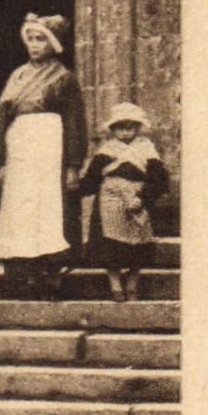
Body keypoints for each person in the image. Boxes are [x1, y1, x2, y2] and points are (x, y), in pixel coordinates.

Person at [0, 13, 87, 298]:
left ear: (53, 43)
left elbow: (74, 122)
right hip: (20, 146)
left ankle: (50, 273)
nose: (34, 45)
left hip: (49, 147)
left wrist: (72, 164)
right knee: (20, 206)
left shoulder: (63, 78)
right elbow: (3, 118)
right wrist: (2, 159)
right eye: (30, 39)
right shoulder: (17, 76)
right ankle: (21, 274)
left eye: (41, 39)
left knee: (48, 208)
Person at [79, 103, 170, 302]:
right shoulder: (106, 150)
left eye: (130, 127)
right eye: (120, 127)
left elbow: (159, 178)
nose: (125, 132)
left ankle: (132, 284)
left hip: (138, 198)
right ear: (113, 129)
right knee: (110, 246)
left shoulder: (147, 149)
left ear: (138, 128)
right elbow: (92, 178)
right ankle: (115, 285)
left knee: (139, 244)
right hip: (110, 200)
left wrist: (143, 198)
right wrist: (79, 187)